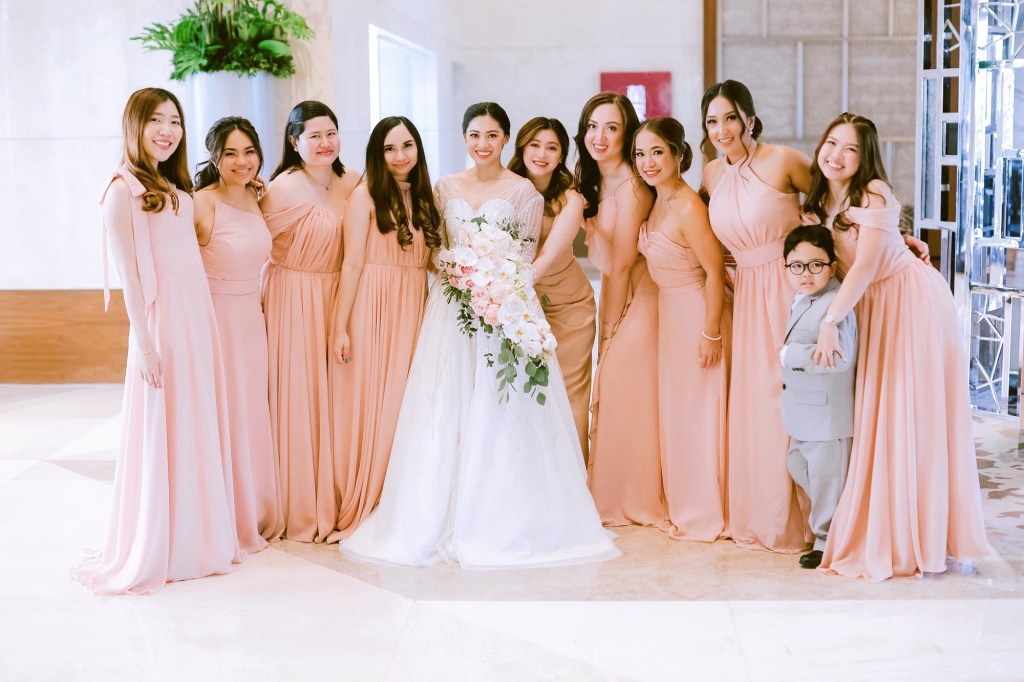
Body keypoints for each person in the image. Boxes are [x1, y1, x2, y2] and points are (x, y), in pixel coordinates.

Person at [341, 102, 620, 568]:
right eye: (475, 135)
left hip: (502, 304)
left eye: (492, 135)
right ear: (464, 137)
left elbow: (524, 256)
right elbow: (436, 247)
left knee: (499, 403)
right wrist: (459, 271)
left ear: (505, 139)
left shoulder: (524, 193)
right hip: (451, 309)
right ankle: (433, 510)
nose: (483, 144)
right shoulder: (445, 186)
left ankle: (502, 511)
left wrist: (494, 285)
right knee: (446, 403)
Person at [803, 113, 988, 580]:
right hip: (875, 305)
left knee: (908, 413)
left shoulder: (874, 192)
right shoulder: (822, 199)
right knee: (882, 412)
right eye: (831, 143)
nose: (836, 155)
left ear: (865, 157)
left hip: (908, 301)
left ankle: (913, 534)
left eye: (850, 148)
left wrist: (829, 321)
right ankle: (894, 521)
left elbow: (866, 266)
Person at [73, 87, 241, 594]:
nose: (168, 131)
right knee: (165, 424)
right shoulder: (120, 190)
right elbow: (129, 275)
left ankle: (198, 535)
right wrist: (145, 345)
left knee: (195, 420)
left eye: (175, 121)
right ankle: (163, 541)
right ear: (135, 126)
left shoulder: (173, 182)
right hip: (162, 320)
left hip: (196, 315)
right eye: (156, 121)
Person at [700, 80, 813, 552]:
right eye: (712, 121)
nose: (722, 130)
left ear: (749, 117)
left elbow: (835, 200)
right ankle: (761, 515)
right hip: (745, 294)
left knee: (786, 398)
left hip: (788, 288)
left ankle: (807, 519)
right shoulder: (711, 174)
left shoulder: (782, 159)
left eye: (730, 118)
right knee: (755, 405)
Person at [325, 117, 440, 542]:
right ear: (378, 152)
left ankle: (396, 502)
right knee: (375, 404)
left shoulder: (424, 196)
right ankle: (363, 503)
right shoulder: (366, 196)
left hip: (412, 305)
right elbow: (352, 263)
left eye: (407, 145)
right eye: (390, 148)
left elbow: (431, 259)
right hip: (372, 305)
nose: (400, 155)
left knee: (404, 406)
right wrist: (340, 326)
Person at [260, 101, 360, 542]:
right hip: (292, 298)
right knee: (299, 396)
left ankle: (338, 494)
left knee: (338, 397)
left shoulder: (353, 180)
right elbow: (250, 244)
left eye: (331, 133)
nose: (325, 143)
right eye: (314, 135)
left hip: (339, 296)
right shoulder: (281, 188)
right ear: (294, 141)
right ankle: (297, 501)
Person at [634, 117, 731, 542]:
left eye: (657, 152)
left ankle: (703, 509)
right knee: (678, 411)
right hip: (669, 314)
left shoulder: (689, 205)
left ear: (678, 155)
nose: (648, 162)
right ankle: (682, 500)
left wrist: (711, 333)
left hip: (695, 313)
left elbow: (714, 272)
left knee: (698, 411)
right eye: (641, 153)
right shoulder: (657, 200)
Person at [576, 93, 670, 532]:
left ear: (626, 133)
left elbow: (620, 263)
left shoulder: (632, 186)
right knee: (618, 394)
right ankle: (615, 491)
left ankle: (632, 497)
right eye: (593, 126)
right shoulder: (591, 179)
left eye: (612, 127)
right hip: (614, 294)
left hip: (640, 298)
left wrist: (610, 327)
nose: (600, 136)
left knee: (622, 390)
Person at [194, 116, 282, 550]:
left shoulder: (255, 195)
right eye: (230, 153)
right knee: (222, 413)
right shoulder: (201, 203)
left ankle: (252, 506)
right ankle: (220, 512)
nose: (241, 161)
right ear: (214, 157)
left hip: (252, 318)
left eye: (249, 151)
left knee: (249, 413)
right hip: (217, 321)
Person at [508, 116, 596, 460]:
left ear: (561, 155)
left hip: (569, 307)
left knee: (571, 393)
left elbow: (547, 257)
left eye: (551, 147)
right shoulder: (507, 188)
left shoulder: (570, 198)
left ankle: (576, 473)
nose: (541, 154)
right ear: (521, 148)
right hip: (521, 306)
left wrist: (508, 289)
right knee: (524, 392)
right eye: (534, 145)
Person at [779, 224, 857, 569]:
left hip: (827, 416)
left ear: (832, 265)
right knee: (798, 465)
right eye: (797, 266)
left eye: (815, 265)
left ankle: (828, 542)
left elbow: (840, 358)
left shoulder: (836, 305)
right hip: (804, 412)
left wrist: (789, 355)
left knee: (828, 481)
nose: (806, 274)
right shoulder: (803, 299)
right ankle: (833, 530)